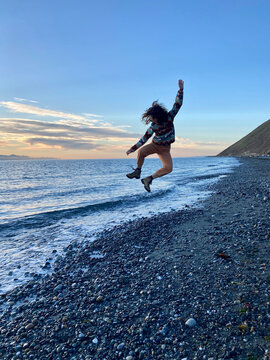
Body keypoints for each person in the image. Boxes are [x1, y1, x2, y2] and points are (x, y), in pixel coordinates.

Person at [126, 80, 184, 192]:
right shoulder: (153, 127)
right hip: (154, 145)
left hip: (165, 149)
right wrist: (132, 148)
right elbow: (144, 138)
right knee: (141, 152)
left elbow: (178, 104)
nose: (151, 120)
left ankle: (148, 179)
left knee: (168, 168)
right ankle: (137, 171)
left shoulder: (169, 117)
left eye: (152, 118)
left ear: (158, 116)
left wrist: (180, 90)